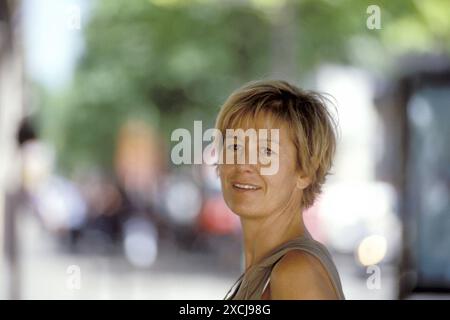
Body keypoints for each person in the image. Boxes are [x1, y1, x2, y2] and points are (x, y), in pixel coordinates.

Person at [215, 80, 345, 300]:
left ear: (305, 171)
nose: (243, 164)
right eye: (234, 146)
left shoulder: (296, 272)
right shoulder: (266, 271)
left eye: (266, 151)